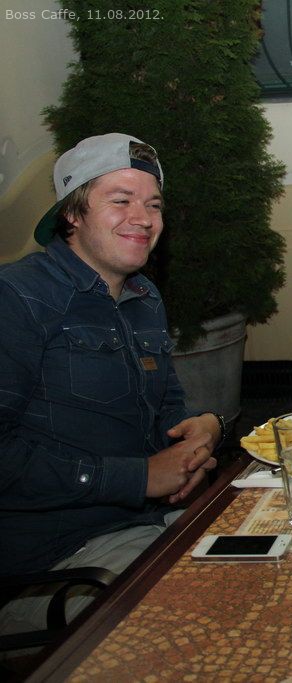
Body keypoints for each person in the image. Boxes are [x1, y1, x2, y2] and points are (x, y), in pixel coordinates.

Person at [0, 134, 223, 630]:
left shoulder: (144, 298)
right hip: (57, 566)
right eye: (121, 201)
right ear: (72, 213)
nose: (143, 218)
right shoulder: (16, 298)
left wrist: (203, 431)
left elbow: (167, 409)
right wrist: (138, 478)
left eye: (153, 205)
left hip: (152, 526)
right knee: (206, 624)